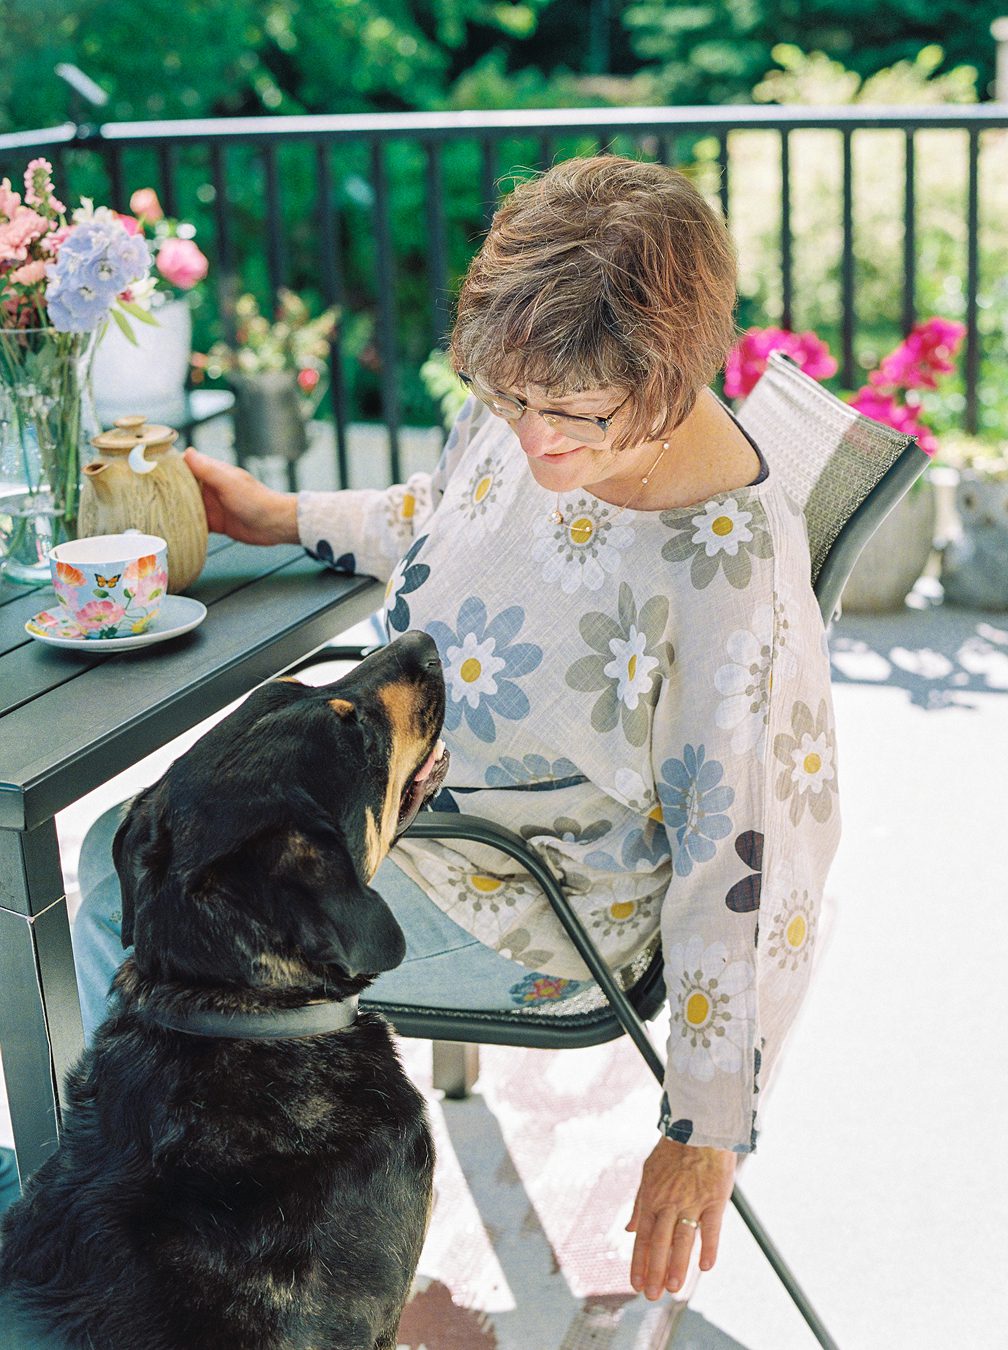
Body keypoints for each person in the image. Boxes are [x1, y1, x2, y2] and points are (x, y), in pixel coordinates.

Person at [68, 155, 840, 1304]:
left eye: (570, 416)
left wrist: (706, 1125)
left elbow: (755, 869)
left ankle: (170, 1212)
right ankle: (186, 1167)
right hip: (429, 811)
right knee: (146, 844)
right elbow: (454, 512)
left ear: (675, 371)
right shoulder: (551, 402)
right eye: (507, 403)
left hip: (538, 908)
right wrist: (284, 517)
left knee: (135, 876)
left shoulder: (721, 573)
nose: (534, 443)